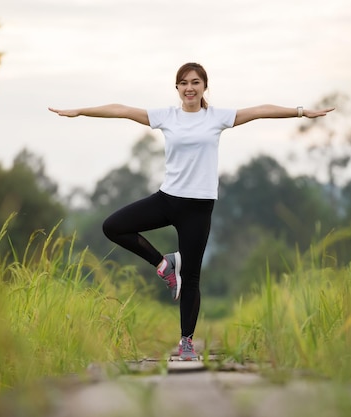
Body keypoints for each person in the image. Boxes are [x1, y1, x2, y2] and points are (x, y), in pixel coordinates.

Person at [49, 62, 334, 361]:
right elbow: (121, 109)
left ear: (204, 87)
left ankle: (186, 342)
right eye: (183, 83)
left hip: (199, 208)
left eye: (195, 82)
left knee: (193, 278)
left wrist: (302, 111)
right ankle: (164, 264)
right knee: (113, 226)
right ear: (177, 88)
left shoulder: (217, 117)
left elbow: (260, 110)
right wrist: (81, 110)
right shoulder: (166, 117)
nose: (189, 88)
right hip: (167, 199)